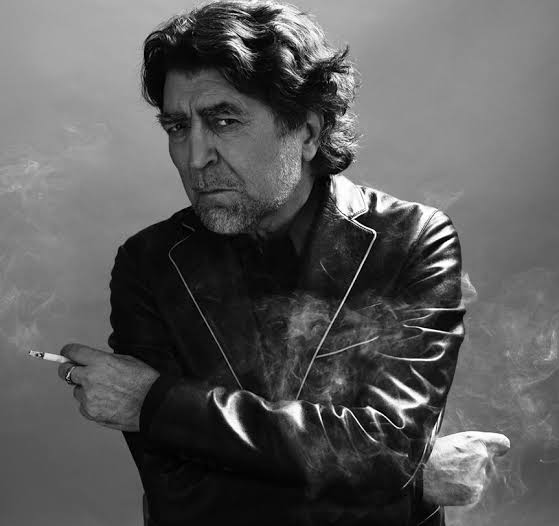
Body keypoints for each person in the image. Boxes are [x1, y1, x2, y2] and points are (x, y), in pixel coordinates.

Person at [56, 2, 509, 525]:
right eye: (177, 127)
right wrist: (406, 488)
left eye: (224, 121)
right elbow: (183, 498)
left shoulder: (412, 239)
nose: (195, 157)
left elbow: (389, 447)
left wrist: (156, 405)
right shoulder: (149, 263)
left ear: (308, 132)